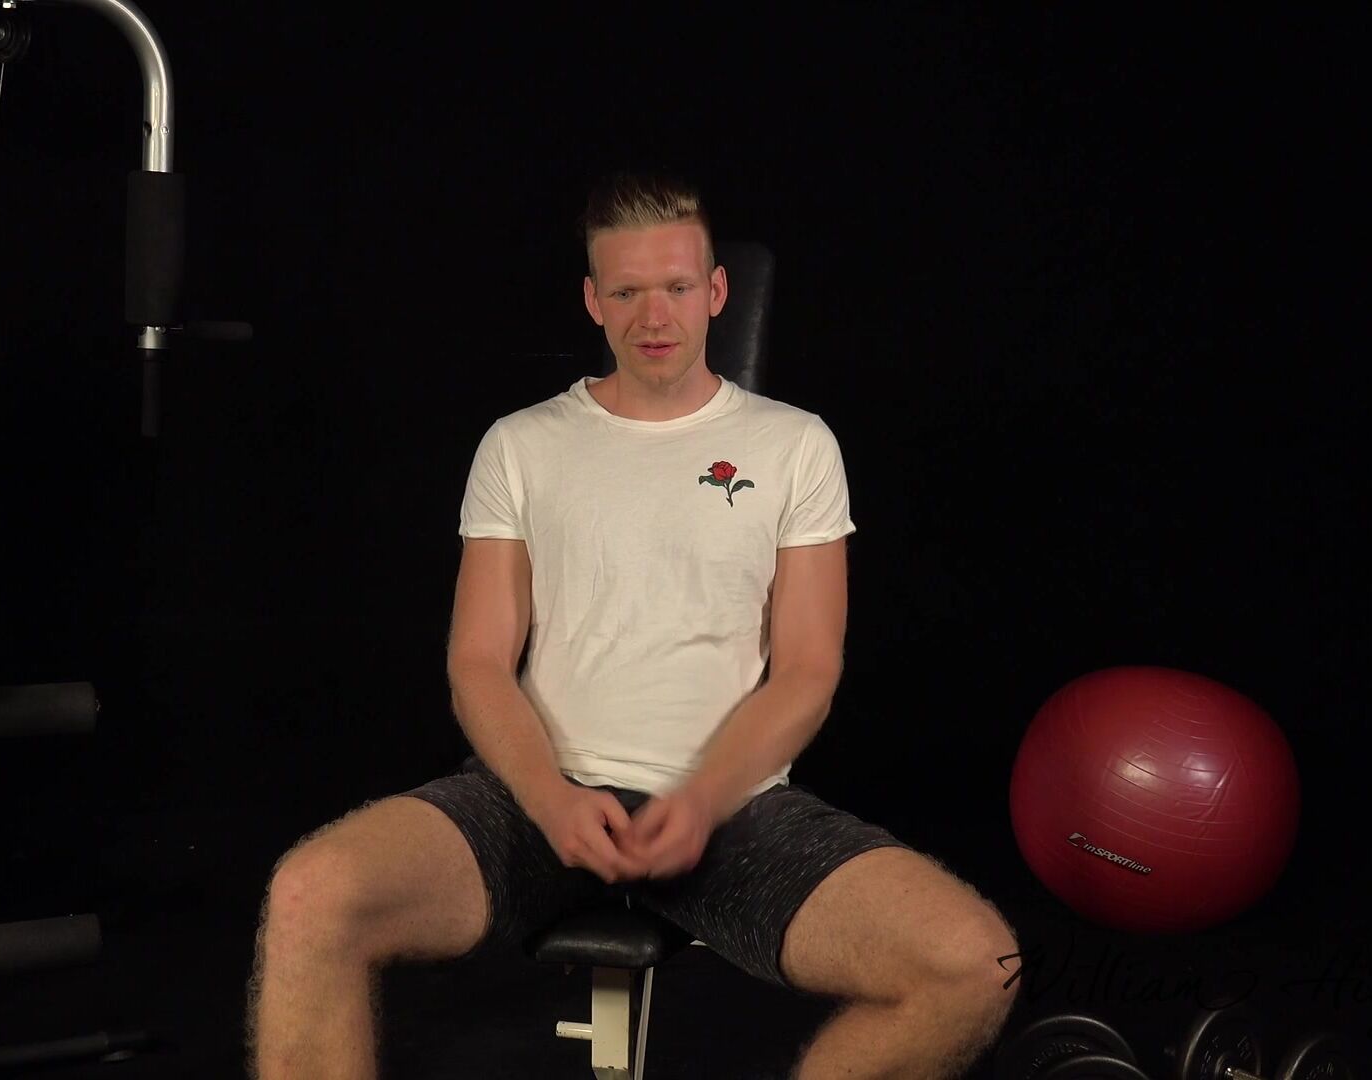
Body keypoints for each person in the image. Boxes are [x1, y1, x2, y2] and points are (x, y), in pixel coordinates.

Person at [246, 171, 1020, 1079]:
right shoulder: (520, 444)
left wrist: (700, 801)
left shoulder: (795, 445)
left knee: (973, 965)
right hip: (536, 798)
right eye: (626, 292)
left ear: (715, 291)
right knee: (309, 895)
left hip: (731, 810)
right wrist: (550, 799)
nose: (654, 316)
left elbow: (808, 670)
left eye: (677, 287)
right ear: (592, 301)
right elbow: (478, 662)